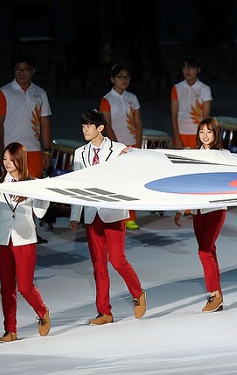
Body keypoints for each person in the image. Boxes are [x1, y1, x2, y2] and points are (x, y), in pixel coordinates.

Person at [69, 109, 147, 324]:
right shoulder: (79, 153)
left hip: (113, 213)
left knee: (117, 260)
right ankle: (104, 311)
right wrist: (75, 214)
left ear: (100, 128)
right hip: (91, 214)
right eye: (83, 126)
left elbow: (132, 174)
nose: (85, 130)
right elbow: (78, 184)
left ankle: (138, 293)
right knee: (98, 266)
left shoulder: (119, 149)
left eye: (89, 126)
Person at [0, 142, 51, 343]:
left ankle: (42, 311)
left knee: (24, 286)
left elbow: (39, 212)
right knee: (6, 288)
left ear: (19, 160)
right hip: (2, 240)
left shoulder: (31, 183)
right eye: (4, 159)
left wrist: (44, 192)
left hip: (24, 239)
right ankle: (10, 330)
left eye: (11, 159)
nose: (7, 163)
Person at [174, 117, 227, 312]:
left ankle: (214, 294)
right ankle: (218, 295)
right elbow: (189, 185)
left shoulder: (223, 155)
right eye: (201, 131)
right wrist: (181, 210)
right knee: (209, 251)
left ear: (215, 134)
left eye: (209, 132)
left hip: (216, 210)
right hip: (198, 211)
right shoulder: (193, 156)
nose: (204, 136)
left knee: (204, 251)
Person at [0, 54, 53, 178]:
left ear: (32, 71)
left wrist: (47, 151)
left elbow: (45, 123)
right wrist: (0, 149)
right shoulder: (4, 92)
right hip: (11, 150)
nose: (21, 73)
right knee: (12, 191)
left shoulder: (40, 93)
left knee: (33, 189)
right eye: (17, 69)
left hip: (34, 149)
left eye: (25, 69)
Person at [100, 64, 143, 230]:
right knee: (118, 182)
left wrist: (137, 145)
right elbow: (107, 125)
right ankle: (117, 217)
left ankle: (131, 217)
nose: (124, 80)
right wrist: (117, 147)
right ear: (112, 79)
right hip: (116, 147)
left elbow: (138, 123)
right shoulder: (107, 100)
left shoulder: (132, 98)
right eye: (120, 77)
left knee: (132, 182)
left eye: (127, 77)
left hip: (133, 146)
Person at [170, 56, 212, 149]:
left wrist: (201, 138)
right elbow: (174, 115)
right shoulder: (177, 88)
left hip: (196, 134)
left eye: (191, 68)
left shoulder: (205, 89)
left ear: (198, 70)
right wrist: (177, 138)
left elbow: (205, 117)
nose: (187, 71)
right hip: (181, 133)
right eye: (185, 67)